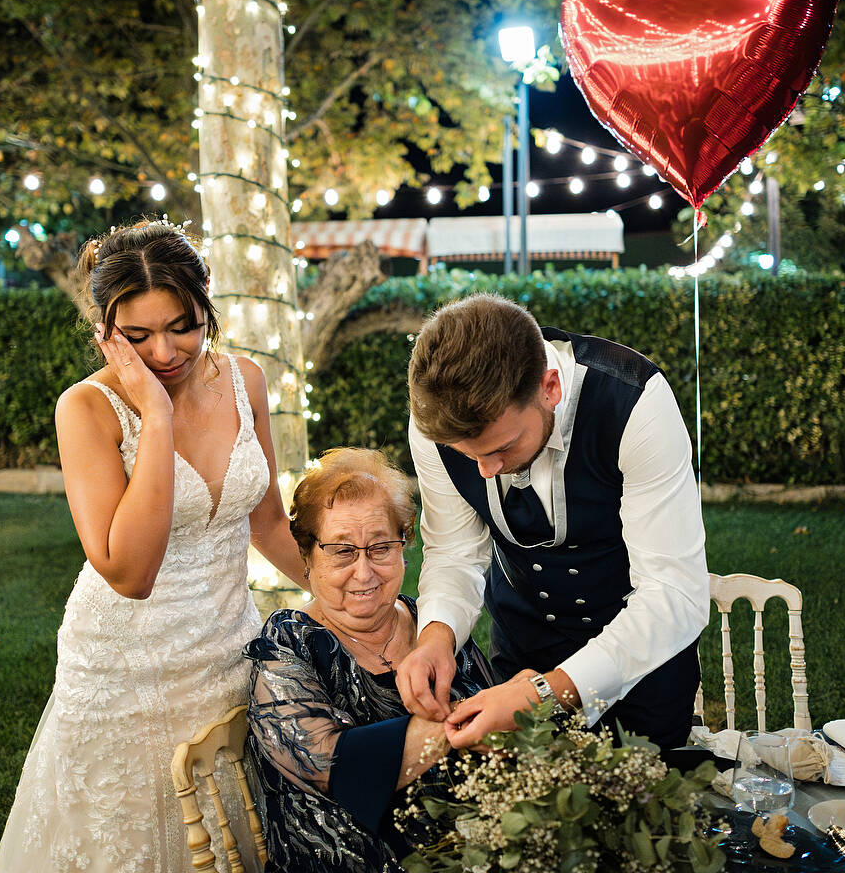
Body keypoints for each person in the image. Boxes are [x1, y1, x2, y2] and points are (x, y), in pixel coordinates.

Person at [0, 218, 304, 873]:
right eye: (137, 337)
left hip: (229, 650)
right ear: (105, 331)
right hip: (128, 670)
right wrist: (156, 418)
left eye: (182, 326)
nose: (164, 352)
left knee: (233, 836)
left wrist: (367, 600)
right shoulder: (86, 409)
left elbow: (270, 523)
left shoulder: (246, 381)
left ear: (206, 299)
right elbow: (130, 573)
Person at [396, 293, 710, 753]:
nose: (485, 471)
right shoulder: (437, 423)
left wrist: (546, 692)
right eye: (469, 455)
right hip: (520, 648)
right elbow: (453, 551)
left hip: (642, 659)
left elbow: (675, 593)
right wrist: (436, 636)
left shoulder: (635, 402)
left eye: (502, 447)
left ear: (550, 388)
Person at [245, 448, 496, 873]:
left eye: (380, 547)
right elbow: (326, 764)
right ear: (307, 555)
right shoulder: (288, 644)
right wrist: (465, 723)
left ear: (403, 546)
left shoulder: (433, 625)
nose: (364, 573)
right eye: (342, 551)